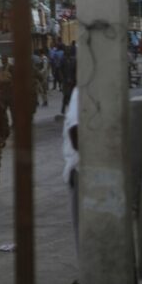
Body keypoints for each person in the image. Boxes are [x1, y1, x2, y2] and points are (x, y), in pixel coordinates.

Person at [62, 87, 80, 254]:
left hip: (81, 168)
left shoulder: (81, 92)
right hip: (84, 168)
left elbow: (75, 129)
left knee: (81, 229)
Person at [61, 43, 78, 114]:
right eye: (67, 50)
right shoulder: (63, 60)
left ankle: (72, 109)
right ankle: (63, 107)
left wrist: (75, 79)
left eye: (69, 50)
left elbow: (76, 70)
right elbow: (60, 69)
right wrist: (62, 78)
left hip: (72, 80)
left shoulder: (74, 60)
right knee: (66, 94)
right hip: (65, 80)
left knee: (72, 95)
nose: (68, 51)